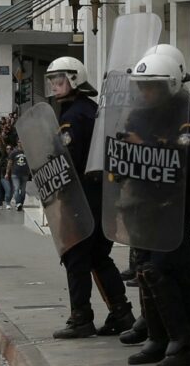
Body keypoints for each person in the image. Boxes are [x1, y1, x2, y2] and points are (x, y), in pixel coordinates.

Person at [122, 53, 190, 366]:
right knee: (151, 268)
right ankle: (164, 337)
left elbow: (182, 150)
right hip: (142, 203)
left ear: (169, 86)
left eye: (152, 87)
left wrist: (144, 145)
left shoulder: (184, 111)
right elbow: (127, 145)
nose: (146, 93)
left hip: (172, 204)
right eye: (142, 87)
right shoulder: (140, 113)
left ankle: (181, 342)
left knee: (161, 269)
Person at [43, 56, 136, 341]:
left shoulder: (73, 116)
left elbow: (70, 158)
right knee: (98, 256)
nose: (55, 86)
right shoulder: (92, 110)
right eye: (52, 81)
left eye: (60, 80)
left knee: (76, 256)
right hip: (101, 195)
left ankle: (81, 317)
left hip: (82, 197)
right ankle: (121, 312)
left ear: (74, 80)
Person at [7, 141, 30, 211]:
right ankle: (18, 203)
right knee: (16, 188)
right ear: (17, 143)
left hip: (25, 173)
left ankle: (21, 203)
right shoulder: (14, 152)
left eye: (22, 141)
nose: (21, 143)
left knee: (23, 191)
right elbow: (9, 163)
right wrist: (7, 172)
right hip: (15, 173)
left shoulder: (27, 152)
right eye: (19, 142)